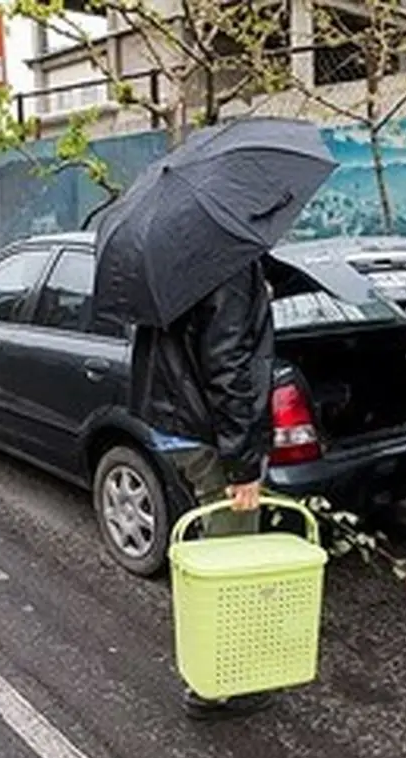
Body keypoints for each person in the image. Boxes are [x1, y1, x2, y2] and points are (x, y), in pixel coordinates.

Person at [129, 256, 276, 720]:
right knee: (231, 561)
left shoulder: (176, 260)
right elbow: (226, 367)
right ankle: (218, 688)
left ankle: (211, 670)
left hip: (173, 421)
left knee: (213, 546)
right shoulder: (228, 265)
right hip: (206, 430)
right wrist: (243, 465)